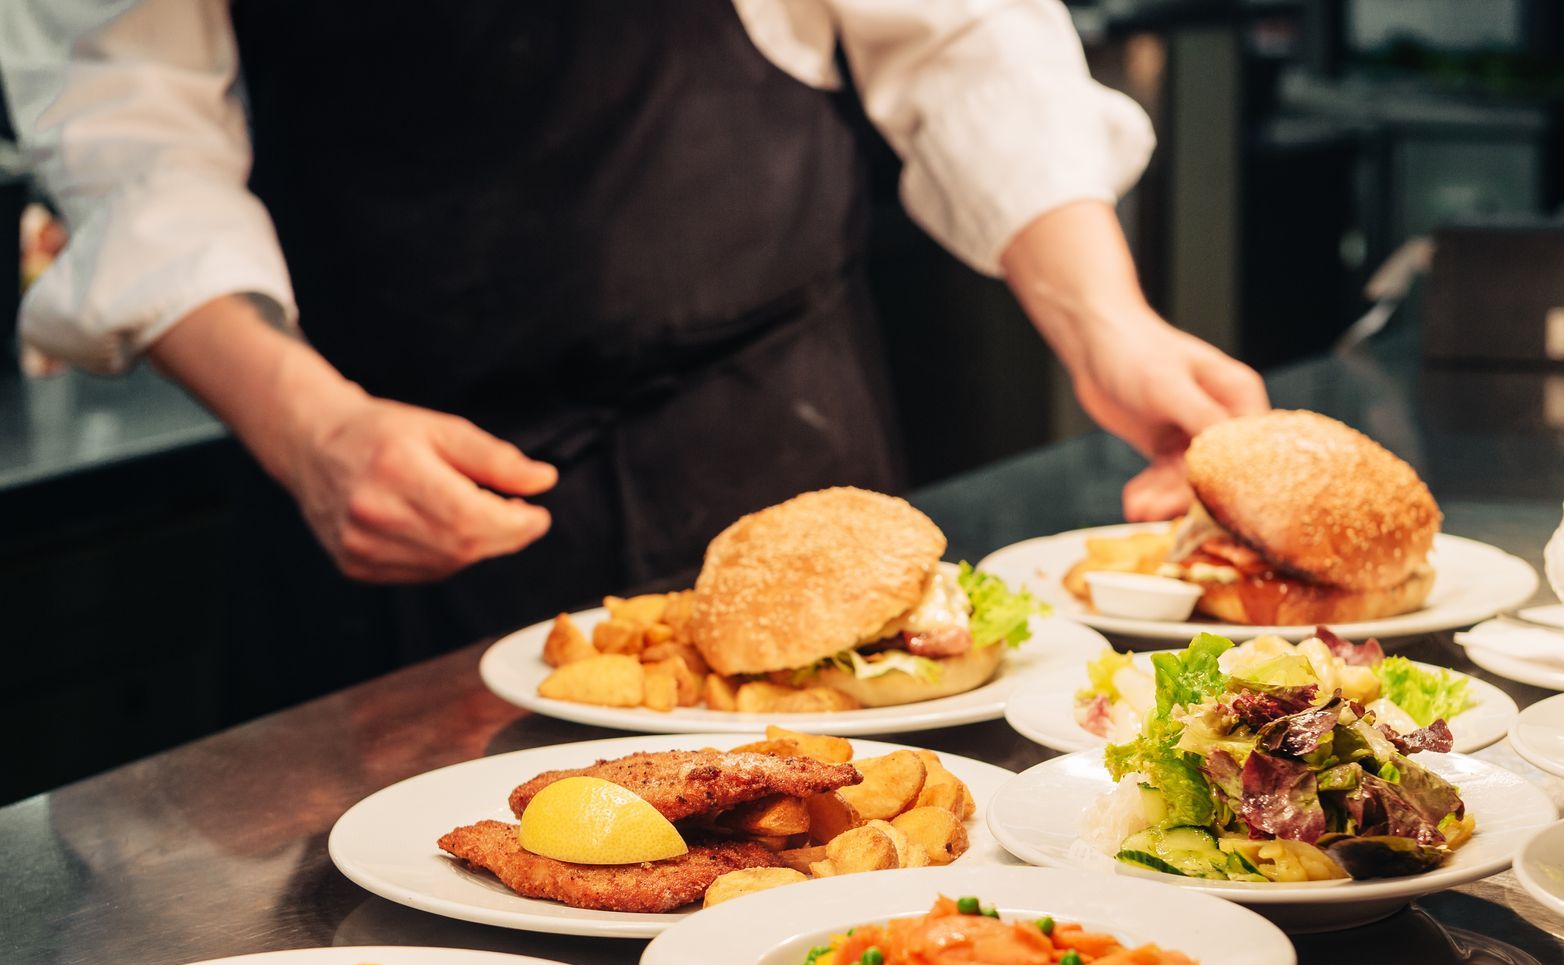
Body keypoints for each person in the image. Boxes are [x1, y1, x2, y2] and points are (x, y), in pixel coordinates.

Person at [2, 0, 1268, 654]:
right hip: (374, 492)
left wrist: (1108, 322)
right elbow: (125, 141)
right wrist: (305, 426)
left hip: (767, 447)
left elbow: (957, 31)